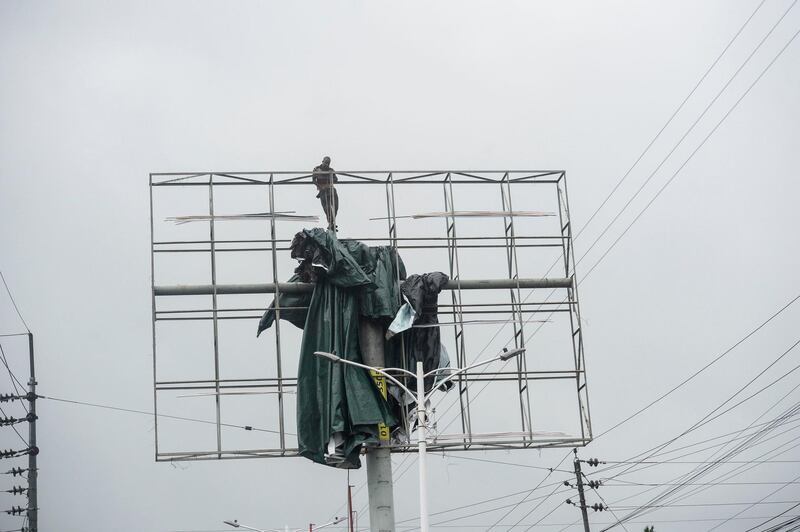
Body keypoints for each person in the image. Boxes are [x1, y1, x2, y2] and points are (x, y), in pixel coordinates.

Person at [312, 156, 338, 231]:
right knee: (327, 208)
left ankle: (332, 222)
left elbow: (336, 179)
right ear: (322, 161)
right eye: (325, 162)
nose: (326, 164)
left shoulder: (330, 170)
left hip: (331, 189)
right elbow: (313, 180)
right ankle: (330, 223)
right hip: (323, 191)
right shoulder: (317, 169)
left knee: (335, 206)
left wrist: (330, 175)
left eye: (328, 163)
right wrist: (320, 186)